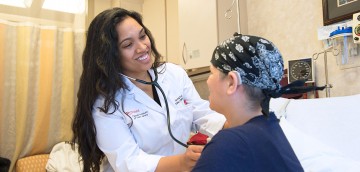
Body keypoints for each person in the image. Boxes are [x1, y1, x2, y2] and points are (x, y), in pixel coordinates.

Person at [71, 7, 226, 172]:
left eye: (143, 36)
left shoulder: (173, 74)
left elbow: (202, 115)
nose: (142, 47)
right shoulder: (106, 104)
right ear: (110, 55)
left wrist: (240, 125)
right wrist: (182, 162)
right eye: (128, 44)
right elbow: (129, 162)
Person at [192, 34, 324, 171]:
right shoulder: (271, 129)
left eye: (211, 73)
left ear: (232, 82)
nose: (208, 81)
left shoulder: (229, 144)